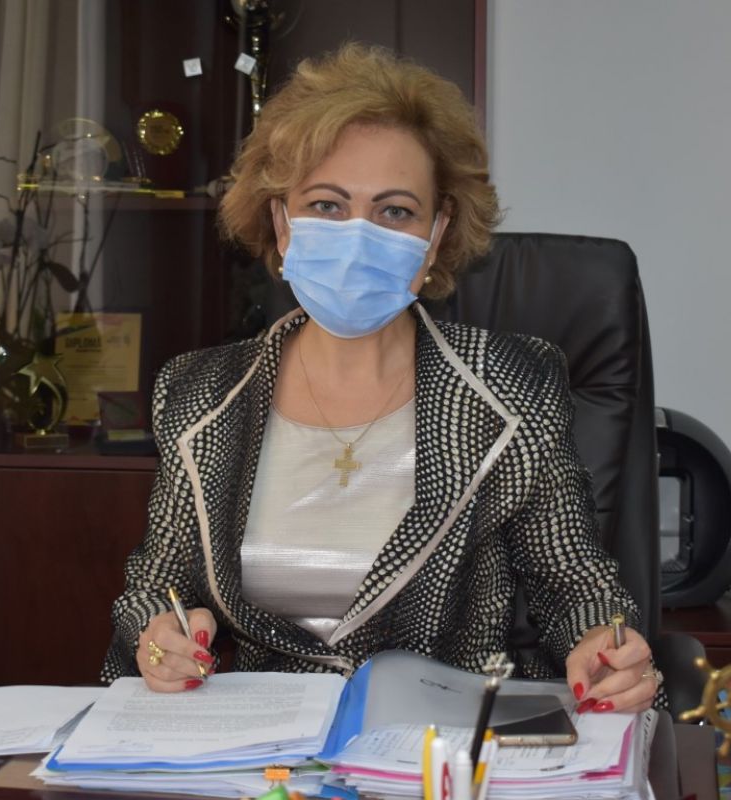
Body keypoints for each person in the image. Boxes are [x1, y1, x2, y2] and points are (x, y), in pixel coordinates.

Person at [102, 44, 660, 714]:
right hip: (258, 741)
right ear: (281, 222)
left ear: (437, 233)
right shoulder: (201, 392)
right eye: (327, 205)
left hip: (437, 740)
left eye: (395, 211)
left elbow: (575, 582)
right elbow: (156, 585)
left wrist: (603, 644)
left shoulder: (509, 385)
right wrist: (159, 638)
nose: (358, 236)